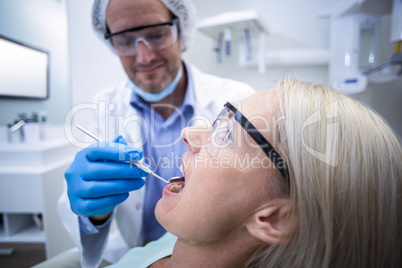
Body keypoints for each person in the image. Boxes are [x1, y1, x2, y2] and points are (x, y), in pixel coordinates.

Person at [34, 0, 254, 267]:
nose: (144, 57)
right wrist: (96, 212)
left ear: (181, 31)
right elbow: (81, 200)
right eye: (126, 41)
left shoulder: (238, 100)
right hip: (130, 251)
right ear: (111, 43)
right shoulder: (104, 107)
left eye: (156, 35)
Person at [108, 77, 402, 267]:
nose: (188, 134)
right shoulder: (176, 240)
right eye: (219, 121)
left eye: (226, 136)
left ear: (274, 218)